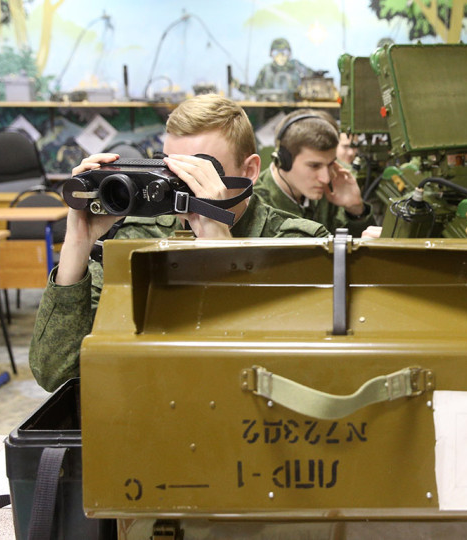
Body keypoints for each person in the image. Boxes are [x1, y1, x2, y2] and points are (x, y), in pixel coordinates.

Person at [30, 94, 328, 392]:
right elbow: (56, 373)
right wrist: (77, 244)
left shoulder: (300, 246)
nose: (181, 185)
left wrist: (220, 246)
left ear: (249, 171)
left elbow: (303, 375)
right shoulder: (141, 239)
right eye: (172, 170)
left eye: (199, 171)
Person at [255, 109, 376, 236]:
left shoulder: (332, 191)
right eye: (314, 166)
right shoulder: (256, 205)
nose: (325, 178)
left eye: (330, 164)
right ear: (283, 161)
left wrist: (356, 210)